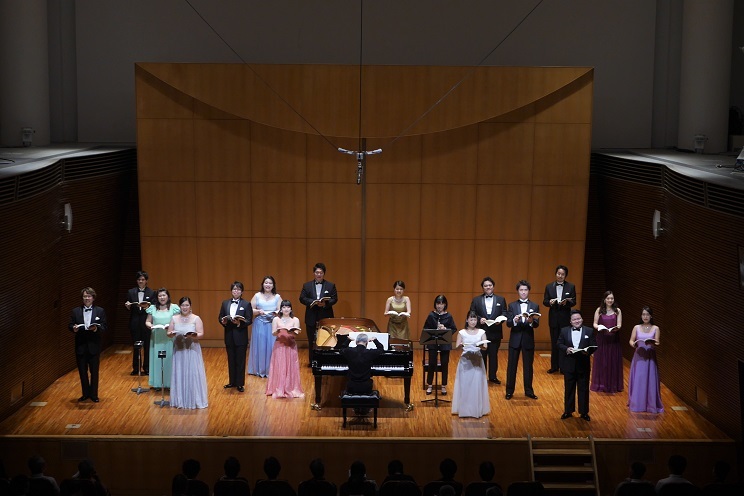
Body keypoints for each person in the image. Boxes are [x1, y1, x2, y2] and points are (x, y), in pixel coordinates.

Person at [168, 297, 208, 409]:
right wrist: (171, 334)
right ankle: (180, 400)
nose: (184, 307)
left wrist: (193, 335)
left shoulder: (196, 318)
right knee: (179, 372)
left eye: (187, 305)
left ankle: (194, 399)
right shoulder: (174, 318)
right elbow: (169, 333)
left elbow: (201, 334)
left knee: (192, 373)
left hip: (192, 349)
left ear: (190, 306)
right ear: (179, 307)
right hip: (179, 350)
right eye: (182, 305)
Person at [68, 287, 107, 403]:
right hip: (80, 346)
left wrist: (95, 328)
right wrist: (73, 328)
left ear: (93, 298)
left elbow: (104, 326)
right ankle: (85, 394)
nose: (87, 298)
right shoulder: (75, 311)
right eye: (85, 296)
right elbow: (70, 325)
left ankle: (94, 395)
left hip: (94, 346)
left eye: (89, 296)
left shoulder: (100, 311)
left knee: (94, 372)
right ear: (82, 298)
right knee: (82, 372)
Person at [556, 310, 596, 421]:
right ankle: (568, 411)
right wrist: (566, 349)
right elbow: (559, 343)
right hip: (569, 364)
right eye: (574, 319)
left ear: (582, 319)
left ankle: (584, 412)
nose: (577, 321)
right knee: (569, 389)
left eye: (578, 319)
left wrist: (588, 351)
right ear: (570, 321)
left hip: (583, 364)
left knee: (584, 389)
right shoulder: (564, 331)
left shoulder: (589, 331)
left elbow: (594, 345)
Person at [505, 280, 540, 400]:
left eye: (525, 290)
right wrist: (514, 320)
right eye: (521, 290)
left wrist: (531, 322)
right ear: (518, 291)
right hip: (515, 339)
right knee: (511, 366)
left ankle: (529, 391)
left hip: (528, 339)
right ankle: (509, 391)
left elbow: (536, 324)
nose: (523, 292)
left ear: (528, 291)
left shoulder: (535, 306)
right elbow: (508, 323)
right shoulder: (512, 305)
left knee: (528, 367)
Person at [451, 310, 490, 418]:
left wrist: (481, 346)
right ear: (467, 320)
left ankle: (476, 410)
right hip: (465, 361)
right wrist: (461, 345)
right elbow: (457, 347)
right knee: (465, 384)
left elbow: (485, 346)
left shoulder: (481, 332)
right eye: (471, 319)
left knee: (476, 384)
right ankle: (465, 410)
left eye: (474, 320)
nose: (473, 322)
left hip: (477, 360)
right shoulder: (461, 332)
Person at [470, 277, 508, 384]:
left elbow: (505, 313)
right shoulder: (476, 300)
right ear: (482, 288)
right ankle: (481, 377)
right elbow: (472, 313)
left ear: (493, 287)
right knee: (482, 355)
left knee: (493, 355)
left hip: (495, 332)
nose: (488, 287)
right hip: (481, 332)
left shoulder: (501, 299)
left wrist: (500, 320)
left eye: (490, 285)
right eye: (485, 285)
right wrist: (479, 319)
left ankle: (493, 377)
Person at [299, 262, 338, 365]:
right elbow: (302, 298)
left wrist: (325, 303)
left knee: (326, 339)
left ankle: (325, 361)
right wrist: (312, 302)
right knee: (311, 340)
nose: (319, 274)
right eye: (317, 272)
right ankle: (312, 361)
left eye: (321, 273)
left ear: (324, 273)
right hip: (311, 316)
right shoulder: (306, 285)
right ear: (314, 273)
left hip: (325, 317)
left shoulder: (330, 285)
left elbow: (334, 299)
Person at [627, 306, 664, 413]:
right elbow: (631, 340)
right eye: (643, 314)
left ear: (651, 316)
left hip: (650, 357)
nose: (645, 317)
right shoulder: (636, 327)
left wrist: (653, 342)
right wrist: (633, 344)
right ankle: (637, 404)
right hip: (639, 355)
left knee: (650, 379)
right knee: (639, 379)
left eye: (647, 314)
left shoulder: (656, 328)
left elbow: (657, 342)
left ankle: (650, 405)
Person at [218, 281, 253, 392]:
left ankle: (240, 384)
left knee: (240, 361)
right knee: (231, 360)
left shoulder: (246, 304)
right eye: (234, 289)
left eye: (238, 289)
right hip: (229, 335)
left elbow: (249, 320)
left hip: (241, 337)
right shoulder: (225, 303)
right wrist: (223, 321)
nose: (236, 291)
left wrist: (239, 323)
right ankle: (232, 382)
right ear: (231, 291)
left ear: (242, 291)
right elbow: (220, 317)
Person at [265, 300, 304, 399]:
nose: (286, 309)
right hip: (280, 345)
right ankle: (278, 388)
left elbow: (296, 333)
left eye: (288, 307)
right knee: (279, 366)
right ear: (281, 309)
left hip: (290, 346)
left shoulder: (295, 319)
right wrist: (280, 331)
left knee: (291, 366)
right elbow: (273, 333)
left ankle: (291, 387)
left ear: (291, 309)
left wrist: (291, 331)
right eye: (284, 307)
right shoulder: (276, 319)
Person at [542, 265, 576, 374]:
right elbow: (545, 301)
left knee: (565, 343)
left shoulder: (571, 286)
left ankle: (564, 367)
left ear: (565, 275)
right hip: (553, 319)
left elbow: (574, 301)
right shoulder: (549, 286)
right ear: (556, 274)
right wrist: (550, 302)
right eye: (558, 273)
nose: (560, 276)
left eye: (562, 274)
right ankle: (554, 366)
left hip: (565, 319)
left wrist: (567, 302)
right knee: (554, 343)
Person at [145, 288, 180, 389]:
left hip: (170, 338)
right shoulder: (152, 308)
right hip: (157, 338)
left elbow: (178, 321)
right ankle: (158, 383)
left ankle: (170, 383)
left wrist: (170, 326)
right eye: (160, 296)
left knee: (169, 360)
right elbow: (148, 321)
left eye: (164, 295)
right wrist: (150, 325)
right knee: (157, 360)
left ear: (168, 296)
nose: (162, 297)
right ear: (157, 298)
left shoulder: (174, 308)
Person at [423, 295, 457, 395]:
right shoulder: (431, 315)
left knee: (444, 363)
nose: (439, 306)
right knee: (432, 363)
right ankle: (430, 385)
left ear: (445, 304)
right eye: (438, 303)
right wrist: (435, 329)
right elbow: (425, 328)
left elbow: (454, 329)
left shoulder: (448, 316)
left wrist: (445, 329)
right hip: (433, 343)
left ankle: (443, 386)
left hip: (444, 343)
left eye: (442, 304)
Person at [590, 290, 623, 393]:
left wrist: (616, 328)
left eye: (612, 298)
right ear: (604, 299)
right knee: (602, 362)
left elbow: (619, 324)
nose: (610, 300)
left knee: (613, 361)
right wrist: (599, 327)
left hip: (613, 339)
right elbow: (594, 324)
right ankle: (601, 384)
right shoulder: (599, 310)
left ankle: (612, 385)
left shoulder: (617, 310)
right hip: (602, 338)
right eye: (608, 298)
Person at [248, 276, 281, 378]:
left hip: (272, 324)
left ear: (273, 285)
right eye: (266, 283)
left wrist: (276, 312)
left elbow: (281, 310)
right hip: (260, 324)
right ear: (262, 284)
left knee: (272, 346)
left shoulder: (277, 297)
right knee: (260, 346)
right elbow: (250, 309)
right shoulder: (257, 295)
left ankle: (272, 370)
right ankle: (259, 369)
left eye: (270, 283)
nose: (268, 285)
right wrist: (258, 311)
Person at [125, 270, 156, 375]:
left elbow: (154, 307)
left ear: (146, 281)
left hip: (146, 322)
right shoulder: (131, 292)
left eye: (143, 279)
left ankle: (147, 368)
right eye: (139, 279)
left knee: (147, 346)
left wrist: (147, 306)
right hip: (134, 322)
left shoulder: (151, 293)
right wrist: (128, 306)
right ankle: (136, 368)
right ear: (136, 281)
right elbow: (128, 306)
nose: (141, 281)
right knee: (136, 346)